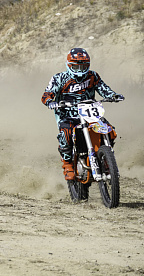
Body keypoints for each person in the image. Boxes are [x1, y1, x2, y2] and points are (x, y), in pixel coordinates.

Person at [41, 48, 124, 181]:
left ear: (88, 65)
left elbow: (104, 89)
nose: (80, 70)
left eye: (83, 66)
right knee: (66, 134)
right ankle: (67, 164)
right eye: (76, 66)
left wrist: (113, 96)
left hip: (90, 114)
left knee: (109, 130)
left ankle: (106, 159)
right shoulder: (59, 78)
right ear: (69, 65)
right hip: (68, 115)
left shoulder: (93, 76)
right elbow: (47, 94)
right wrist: (50, 101)